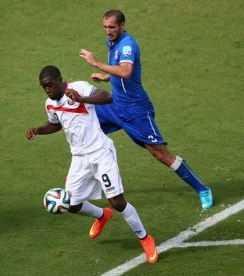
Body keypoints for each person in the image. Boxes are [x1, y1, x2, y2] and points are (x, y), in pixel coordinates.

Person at [79, 9, 213, 210]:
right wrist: (107, 78)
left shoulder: (127, 45)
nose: (108, 31)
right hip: (115, 105)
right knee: (84, 122)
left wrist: (97, 64)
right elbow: (121, 71)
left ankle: (202, 189)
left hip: (136, 110)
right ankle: (82, 177)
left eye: (112, 27)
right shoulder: (113, 42)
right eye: (105, 27)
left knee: (160, 154)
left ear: (122, 25)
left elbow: (126, 71)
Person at [26, 65, 158, 264]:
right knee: (71, 204)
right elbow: (55, 124)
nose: (47, 90)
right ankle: (102, 216)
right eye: (44, 87)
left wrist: (81, 99)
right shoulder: (50, 104)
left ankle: (145, 238)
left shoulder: (79, 87)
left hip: (100, 153)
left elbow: (107, 97)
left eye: (50, 85)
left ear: (60, 80)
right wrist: (37, 130)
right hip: (79, 159)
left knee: (117, 201)